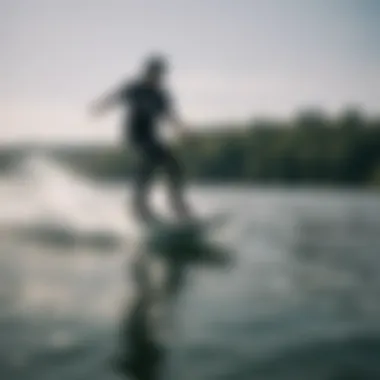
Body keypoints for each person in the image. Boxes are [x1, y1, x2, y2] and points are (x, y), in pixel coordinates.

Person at [90, 55, 192, 224]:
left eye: (160, 75)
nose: (158, 78)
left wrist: (183, 130)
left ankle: (176, 203)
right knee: (149, 160)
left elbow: (170, 115)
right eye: (155, 74)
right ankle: (139, 204)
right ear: (147, 72)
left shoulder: (160, 95)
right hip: (135, 135)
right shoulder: (134, 89)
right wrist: (99, 107)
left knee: (173, 164)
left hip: (152, 136)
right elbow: (114, 97)